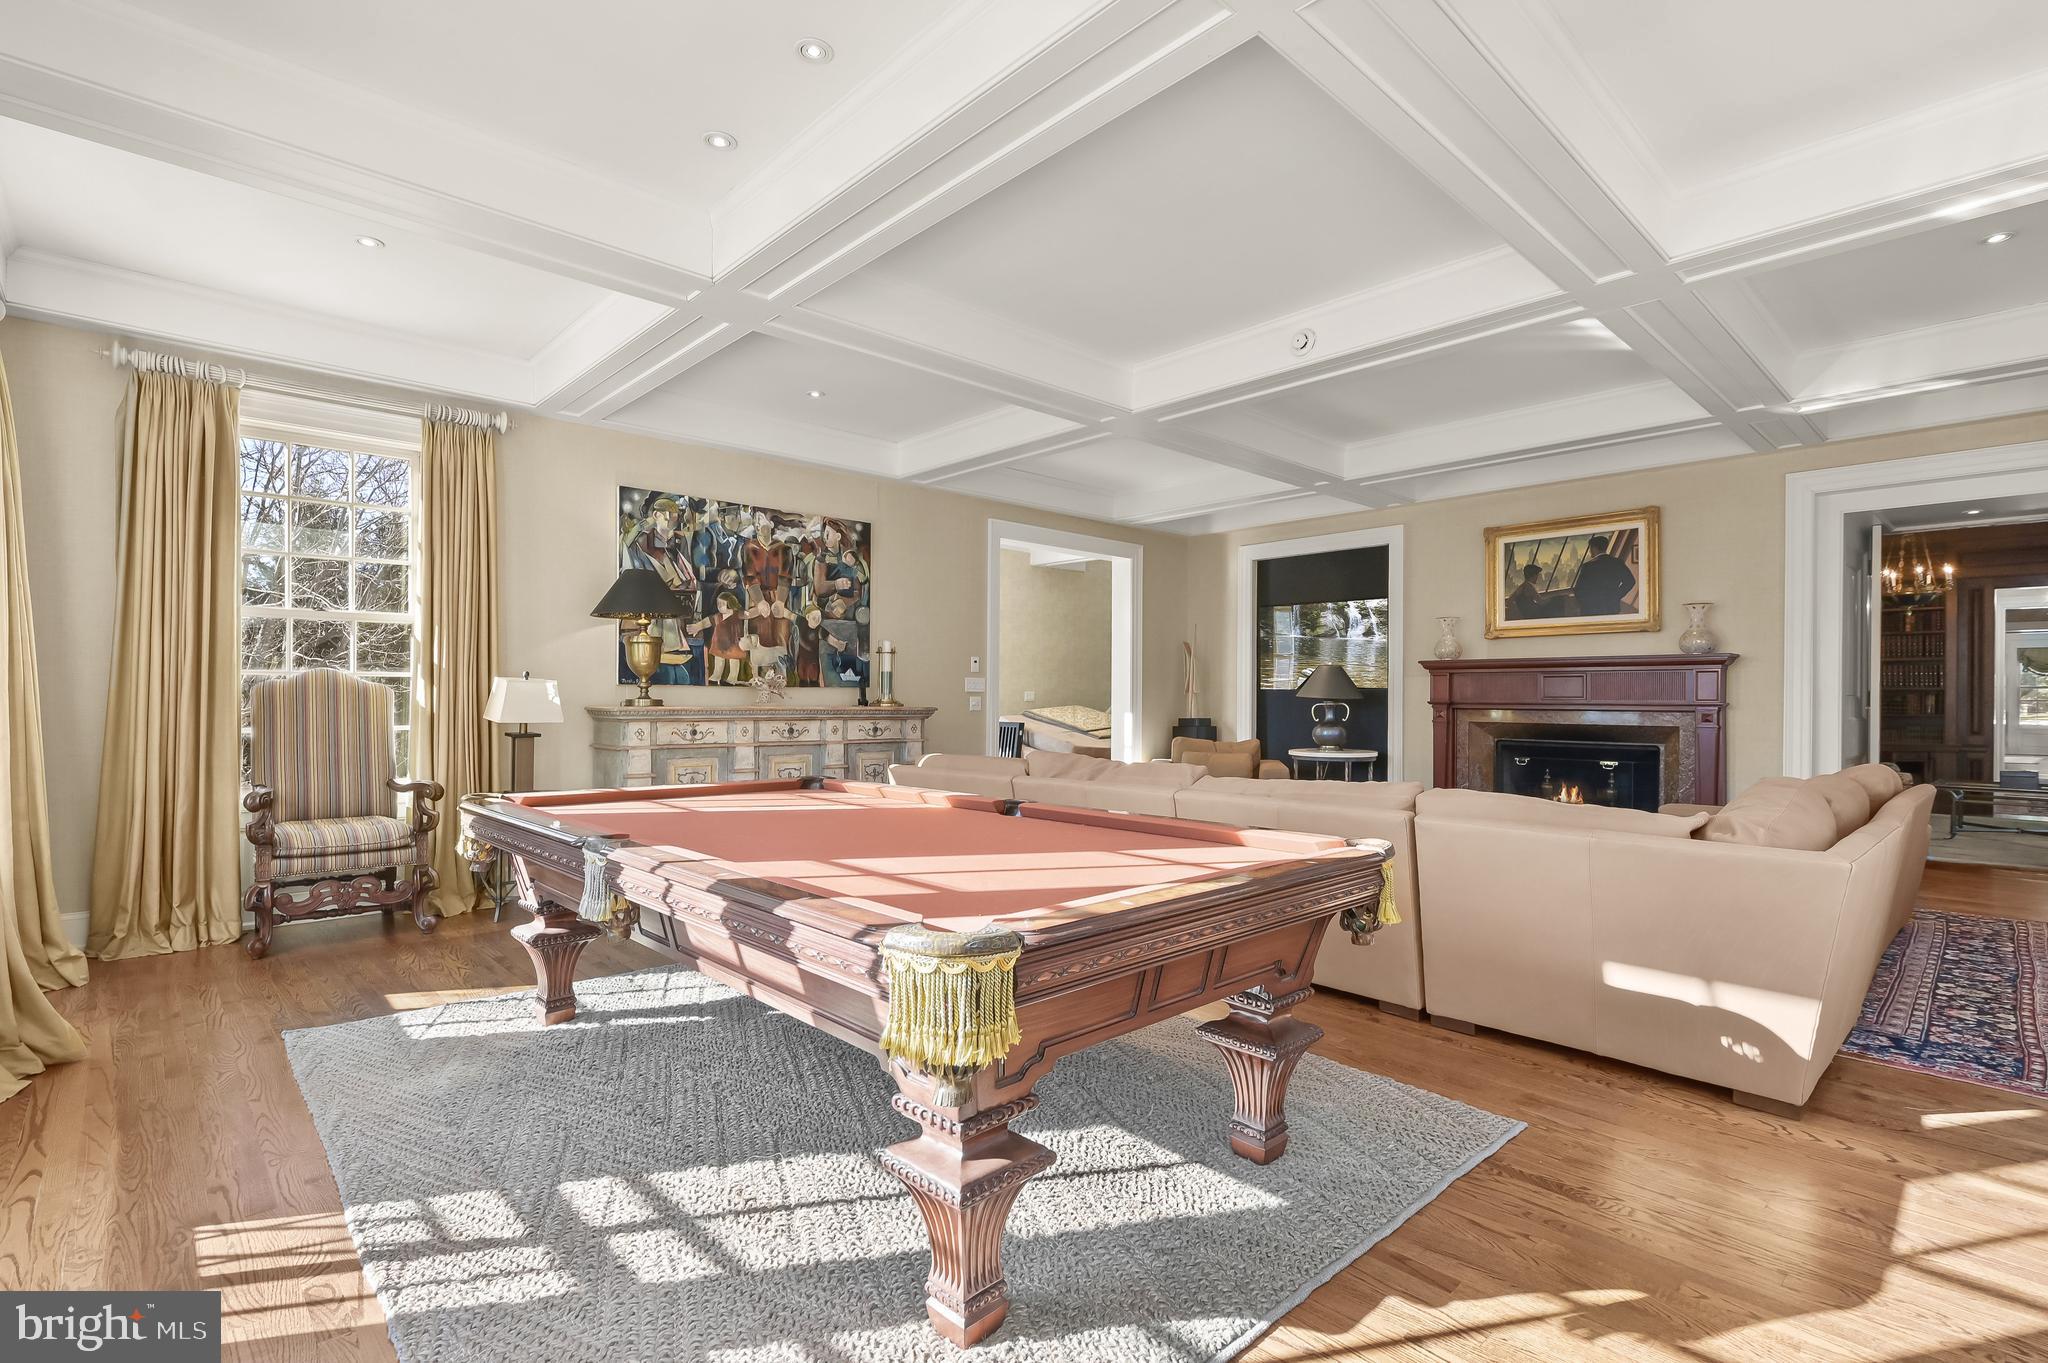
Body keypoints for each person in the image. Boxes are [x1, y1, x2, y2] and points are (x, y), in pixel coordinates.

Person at [1571, 533, 1637, 617]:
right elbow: (1630, 581)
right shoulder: (1618, 563)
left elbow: (1579, 589)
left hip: (1591, 609)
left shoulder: (1588, 566)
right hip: (1611, 607)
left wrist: (1585, 603)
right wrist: (1616, 595)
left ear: (1594, 548)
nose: (1590, 551)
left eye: (1590, 548)